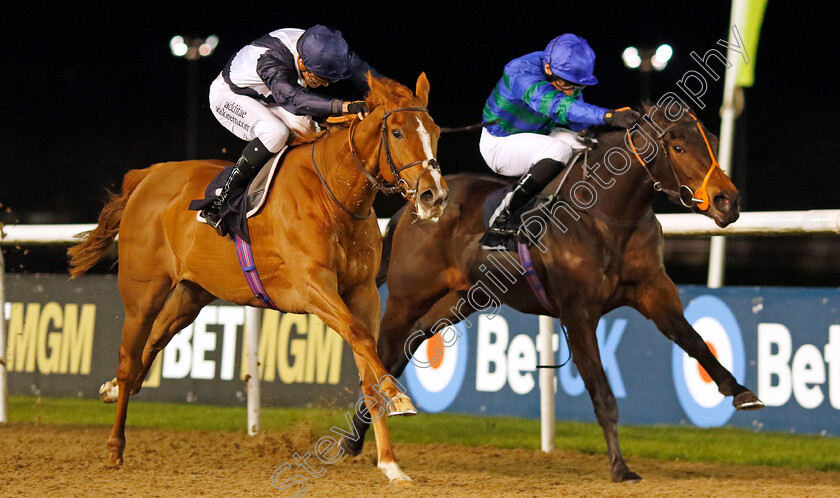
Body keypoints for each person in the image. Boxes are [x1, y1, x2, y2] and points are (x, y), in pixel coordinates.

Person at [202, 24, 379, 235]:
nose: (324, 85)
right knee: (275, 133)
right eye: (319, 78)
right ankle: (223, 197)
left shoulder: (327, 47)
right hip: (230, 96)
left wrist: (390, 97)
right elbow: (292, 99)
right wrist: (344, 107)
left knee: (309, 129)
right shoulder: (271, 60)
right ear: (302, 61)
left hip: (268, 93)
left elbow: (364, 72)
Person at [479, 33, 641, 250]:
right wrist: (608, 116)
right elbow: (556, 105)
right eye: (566, 84)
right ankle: (500, 221)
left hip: (539, 135)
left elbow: (572, 113)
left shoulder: (564, 74)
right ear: (547, 68)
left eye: (578, 87)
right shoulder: (519, 72)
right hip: (499, 143)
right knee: (559, 150)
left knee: (590, 147)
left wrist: (585, 128)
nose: (571, 91)